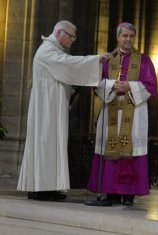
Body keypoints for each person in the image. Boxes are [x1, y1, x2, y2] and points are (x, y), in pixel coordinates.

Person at [18, 20, 112, 201]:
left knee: (51, 144)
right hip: (46, 111)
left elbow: (61, 75)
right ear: (60, 33)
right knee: (46, 144)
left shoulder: (52, 50)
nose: (73, 40)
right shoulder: (47, 52)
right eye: (71, 36)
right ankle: (40, 188)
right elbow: (68, 64)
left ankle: (48, 187)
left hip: (51, 108)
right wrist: (96, 59)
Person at [87, 22, 158, 205]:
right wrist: (112, 85)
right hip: (111, 108)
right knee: (110, 150)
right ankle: (110, 192)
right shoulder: (107, 59)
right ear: (117, 37)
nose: (128, 39)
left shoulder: (144, 60)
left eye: (131, 36)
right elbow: (96, 82)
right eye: (124, 36)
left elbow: (151, 85)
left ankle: (128, 194)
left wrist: (129, 86)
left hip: (134, 112)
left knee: (131, 150)